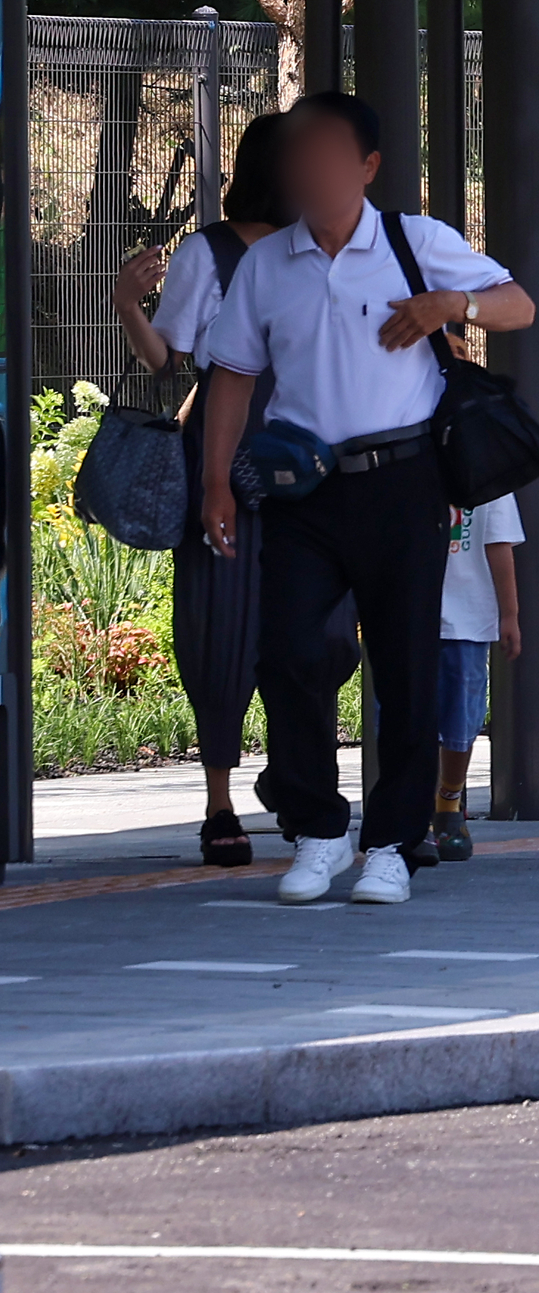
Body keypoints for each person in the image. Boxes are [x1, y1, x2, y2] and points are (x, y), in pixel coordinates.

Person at [194, 91, 537, 907]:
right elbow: (234, 378)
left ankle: (391, 841)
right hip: (300, 488)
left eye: (324, 155)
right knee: (286, 656)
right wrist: (215, 481)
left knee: (407, 664)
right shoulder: (267, 264)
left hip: (404, 480)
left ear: (367, 166)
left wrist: (451, 307)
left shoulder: (414, 242)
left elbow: (518, 306)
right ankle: (318, 831)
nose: (307, 171)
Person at [112, 112, 292, 868]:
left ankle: (291, 766)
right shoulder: (208, 252)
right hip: (223, 464)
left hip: (311, 465)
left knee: (319, 634)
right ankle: (219, 802)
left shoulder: (333, 251)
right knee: (219, 636)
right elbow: (171, 360)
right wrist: (127, 302)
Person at [423, 485, 523, 863]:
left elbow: (499, 543)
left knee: (460, 720)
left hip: (467, 619)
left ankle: (449, 799)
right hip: (410, 616)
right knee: (405, 714)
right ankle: (410, 803)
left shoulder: (487, 472)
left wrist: (509, 615)